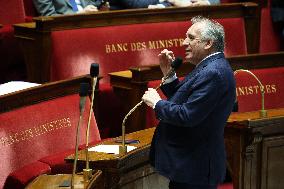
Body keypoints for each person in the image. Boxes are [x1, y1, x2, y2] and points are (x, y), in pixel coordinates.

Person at [142, 16, 236, 189]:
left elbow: (187, 115)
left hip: (195, 166)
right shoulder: (209, 67)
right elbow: (186, 100)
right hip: (190, 165)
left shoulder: (213, 72)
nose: (184, 42)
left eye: (191, 38)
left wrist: (157, 104)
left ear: (208, 43)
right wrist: (169, 75)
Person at [33, 0, 102, 16]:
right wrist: (79, 14)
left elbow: (91, 3)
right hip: (64, 28)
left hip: (91, 22)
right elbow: (48, 16)